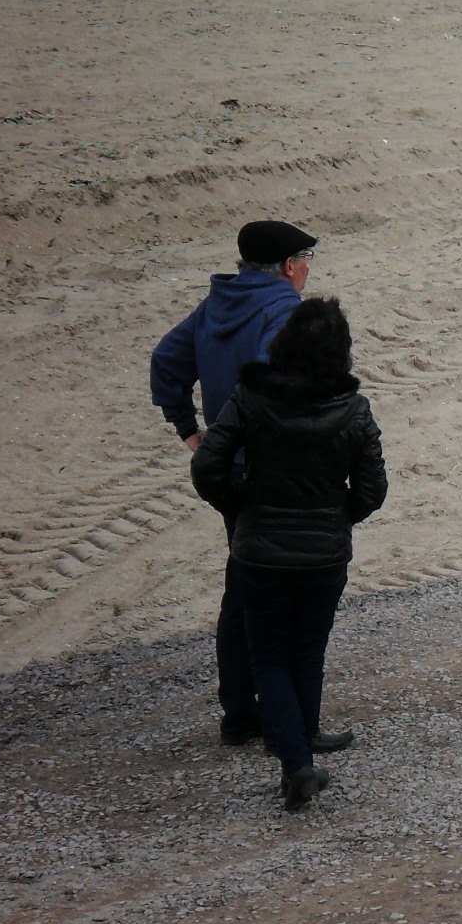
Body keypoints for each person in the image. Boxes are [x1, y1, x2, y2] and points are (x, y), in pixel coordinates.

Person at [190, 298, 387, 812]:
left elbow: (208, 465)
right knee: (307, 652)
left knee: (270, 657)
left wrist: (239, 505)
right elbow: (373, 489)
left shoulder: (251, 398)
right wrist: (338, 517)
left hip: (260, 551)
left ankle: (296, 760)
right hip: (324, 554)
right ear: (340, 352)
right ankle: (300, 750)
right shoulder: (355, 410)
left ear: (284, 344)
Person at [151, 220, 317, 745]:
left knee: (243, 586)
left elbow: (166, 361)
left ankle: (241, 713)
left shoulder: (217, 303)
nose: (307, 268)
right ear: (288, 266)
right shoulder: (284, 310)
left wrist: (193, 433)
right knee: (285, 591)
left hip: (230, 471)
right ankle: (284, 724)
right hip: (273, 472)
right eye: (306, 258)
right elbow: (273, 385)